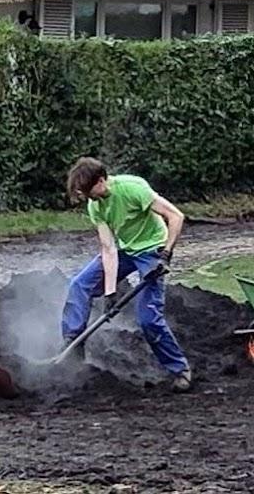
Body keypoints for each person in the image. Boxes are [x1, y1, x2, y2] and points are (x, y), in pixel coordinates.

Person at [62, 158, 193, 391]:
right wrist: (110, 291)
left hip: (151, 251)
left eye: (88, 191)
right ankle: (73, 341)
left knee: (148, 319)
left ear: (101, 180)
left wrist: (165, 255)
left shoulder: (133, 188)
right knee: (79, 285)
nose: (87, 198)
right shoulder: (96, 206)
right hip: (124, 250)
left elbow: (176, 216)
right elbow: (108, 249)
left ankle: (180, 370)